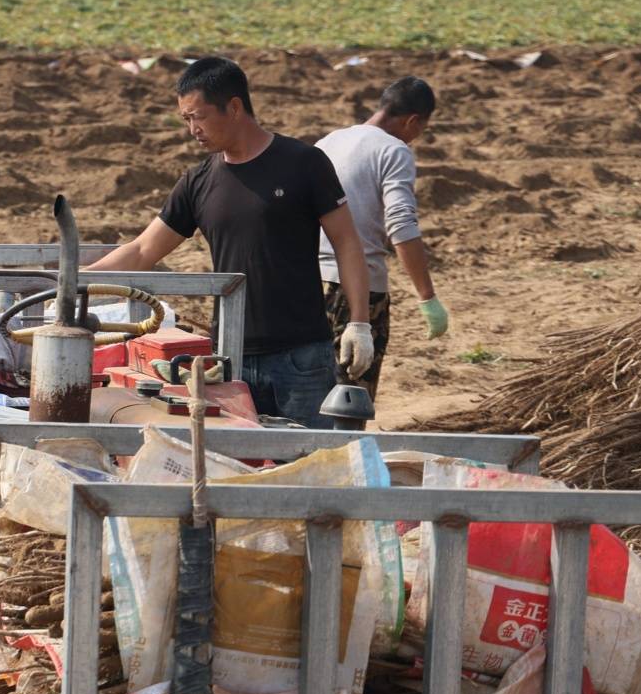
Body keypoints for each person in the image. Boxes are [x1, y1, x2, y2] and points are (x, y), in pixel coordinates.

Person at [87, 57, 376, 428]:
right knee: (241, 465)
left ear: (235, 107)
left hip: (301, 356)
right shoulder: (198, 181)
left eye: (199, 116)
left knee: (310, 460)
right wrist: (76, 280)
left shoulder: (304, 163)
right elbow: (143, 250)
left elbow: (347, 243)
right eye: (186, 119)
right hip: (229, 357)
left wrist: (360, 323)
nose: (192, 129)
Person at [316, 76, 451, 397]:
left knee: (309, 389)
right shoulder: (393, 151)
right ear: (413, 120)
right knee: (349, 398)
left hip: (304, 281)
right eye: (421, 130)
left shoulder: (328, 141)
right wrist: (427, 297)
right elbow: (402, 226)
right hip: (358, 291)